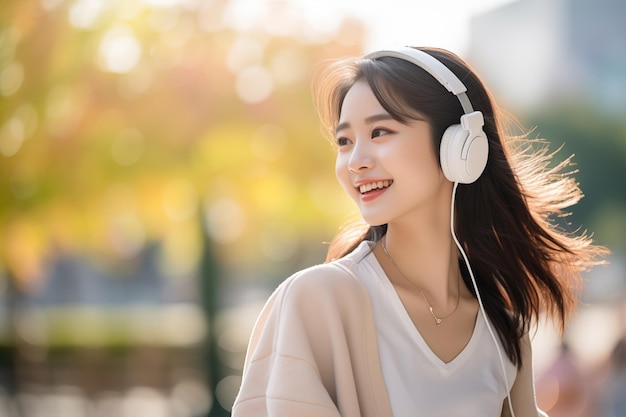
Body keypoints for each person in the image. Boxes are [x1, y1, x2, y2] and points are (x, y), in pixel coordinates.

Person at [231, 46, 607, 417]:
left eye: (379, 132)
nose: (355, 162)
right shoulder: (317, 300)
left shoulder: (502, 331)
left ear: (460, 147)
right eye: (344, 141)